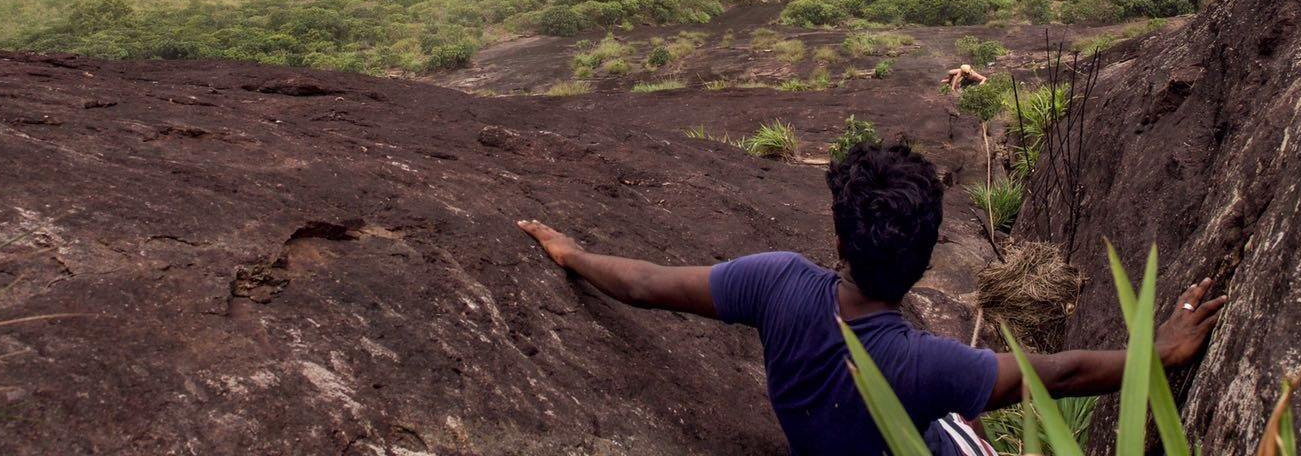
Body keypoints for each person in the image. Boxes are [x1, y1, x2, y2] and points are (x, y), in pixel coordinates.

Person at [518, 139, 1225, 456]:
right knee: (963, 433)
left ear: (839, 233)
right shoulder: (926, 366)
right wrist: (1155, 353)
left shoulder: (774, 282)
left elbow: (644, 285)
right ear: (923, 260)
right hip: (915, 432)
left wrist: (571, 253)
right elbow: (1062, 375)